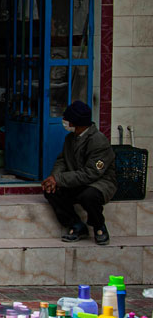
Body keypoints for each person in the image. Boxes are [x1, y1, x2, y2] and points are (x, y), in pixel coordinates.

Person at [42, 101, 117, 245]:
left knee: (88, 196)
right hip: (77, 181)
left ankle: (99, 226)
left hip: (99, 183)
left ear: (76, 122)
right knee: (51, 191)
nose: (64, 122)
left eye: (67, 119)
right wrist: (54, 178)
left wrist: (59, 179)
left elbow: (91, 173)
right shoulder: (70, 138)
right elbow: (62, 160)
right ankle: (76, 225)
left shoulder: (98, 141)